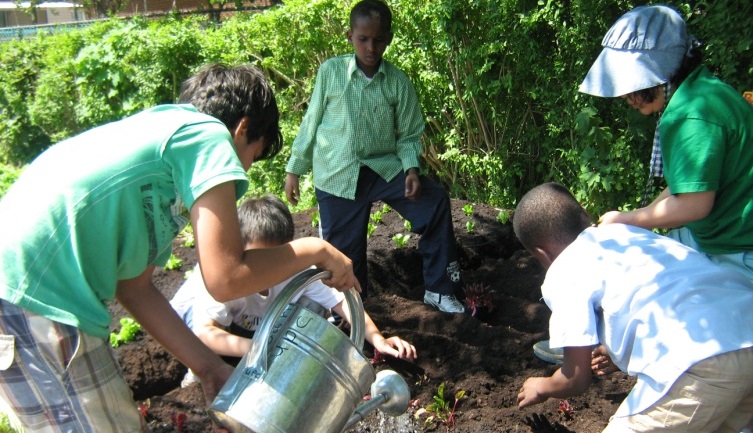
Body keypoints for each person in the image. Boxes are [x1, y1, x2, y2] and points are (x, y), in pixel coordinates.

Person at [0, 63, 359, 433]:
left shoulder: (163, 147)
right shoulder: (207, 137)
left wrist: (208, 366)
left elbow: (134, 288)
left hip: (25, 291)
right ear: (243, 128)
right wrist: (316, 250)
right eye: (253, 155)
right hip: (35, 295)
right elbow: (226, 278)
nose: (245, 171)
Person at [535, 3, 753, 367]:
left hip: (736, 246)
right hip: (721, 232)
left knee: (690, 318)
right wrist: (640, 215)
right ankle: (583, 338)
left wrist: (630, 219)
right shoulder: (704, 92)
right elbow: (689, 186)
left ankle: (592, 344)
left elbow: (694, 206)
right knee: (648, 265)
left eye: (633, 84)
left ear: (660, 71)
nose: (627, 96)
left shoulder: (689, 116)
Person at [513, 182, 753, 432]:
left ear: (542, 254)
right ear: (585, 214)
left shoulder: (563, 270)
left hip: (700, 359)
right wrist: (616, 349)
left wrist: (542, 386)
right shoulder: (632, 235)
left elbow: (576, 378)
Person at [284, 0, 465, 314]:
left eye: (378, 39)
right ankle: (352, 314)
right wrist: (294, 169)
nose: (371, 47)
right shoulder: (332, 72)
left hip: (383, 169)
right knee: (343, 258)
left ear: (389, 39)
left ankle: (438, 289)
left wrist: (410, 168)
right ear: (349, 36)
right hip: (338, 173)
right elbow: (311, 121)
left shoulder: (397, 82)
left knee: (434, 201)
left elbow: (408, 135)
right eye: (363, 39)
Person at [171, 194, 417, 386]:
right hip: (192, 322)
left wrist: (377, 339)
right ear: (241, 250)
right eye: (256, 259)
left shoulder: (293, 269)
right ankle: (195, 376)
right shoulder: (220, 281)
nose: (264, 269)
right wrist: (257, 350)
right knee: (203, 356)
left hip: (254, 325)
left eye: (273, 258)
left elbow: (342, 303)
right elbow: (204, 333)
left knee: (311, 304)